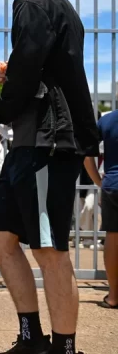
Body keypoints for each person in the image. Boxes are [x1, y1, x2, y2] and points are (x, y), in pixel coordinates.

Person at [0, 0, 100, 354]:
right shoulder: (49, 4)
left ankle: (64, 347)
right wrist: (17, 74)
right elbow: (42, 68)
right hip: (33, 142)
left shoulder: (34, 3)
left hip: (47, 143)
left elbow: (29, 76)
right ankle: (32, 339)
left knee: (49, 248)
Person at [84, 111, 117, 309]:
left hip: (112, 184)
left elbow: (87, 155)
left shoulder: (106, 121)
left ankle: (113, 296)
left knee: (113, 236)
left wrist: (99, 182)